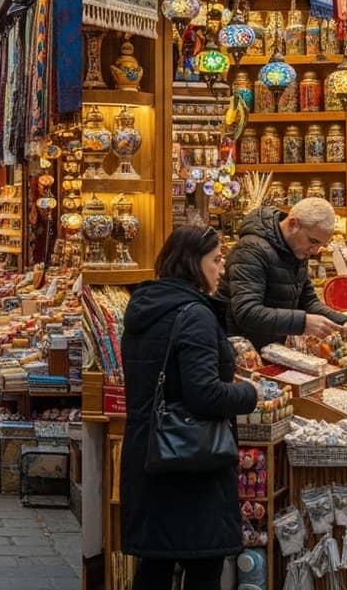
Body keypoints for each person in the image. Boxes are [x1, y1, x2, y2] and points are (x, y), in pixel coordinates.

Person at [120, 225, 259, 590]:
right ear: (193, 263)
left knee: (154, 567)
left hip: (149, 454)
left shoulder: (141, 309)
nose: (221, 269)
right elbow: (205, 395)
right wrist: (249, 393)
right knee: (201, 568)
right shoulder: (194, 315)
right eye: (215, 260)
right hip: (191, 463)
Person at [218, 199, 347, 348]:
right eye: (313, 241)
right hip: (241, 352)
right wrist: (303, 322)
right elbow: (247, 312)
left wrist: (344, 322)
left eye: (321, 244)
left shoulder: (297, 250)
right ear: (293, 224)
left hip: (271, 348)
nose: (315, 250)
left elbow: (308, 302)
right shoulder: (251, 250)